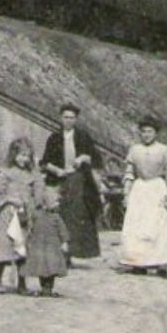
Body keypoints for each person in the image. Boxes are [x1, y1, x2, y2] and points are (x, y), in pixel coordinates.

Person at [119, 115, 167, 278]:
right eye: (143, 132)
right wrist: (126, 193)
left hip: (157, 188)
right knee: (138, 225)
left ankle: (160, 262)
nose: (146, 135)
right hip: (140, 189)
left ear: (156, 133)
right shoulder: (134, 150)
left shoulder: (164, 150)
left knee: (158, 225)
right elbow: (129, 173)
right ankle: (138, 262)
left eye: (150, 131)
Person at [41, 102, 102, 261]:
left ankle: (73, 251)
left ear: (76, 119)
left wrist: (83, 158)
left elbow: (96, 158)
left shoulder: (83, 137)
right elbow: (45, 162)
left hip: (78, 180)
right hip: (60, 180)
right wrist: (57, 170)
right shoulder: (54, 138)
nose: (68, 121)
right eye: (66, 117)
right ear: (61, 118)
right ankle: (60, 253)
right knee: (60, 214)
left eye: (72, 118)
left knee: (75, 216)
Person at [0, 138, 39, 295]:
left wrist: (32, 204)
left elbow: (34, 193)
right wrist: (10, 200)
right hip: (8, 214)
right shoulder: (4, 173)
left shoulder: (30, 175)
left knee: (22, 248)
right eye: (20, 155)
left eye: (26, 156)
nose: (23, 159)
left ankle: (22, 283)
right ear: (13, 154)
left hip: (24, 215)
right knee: (5, 247)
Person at [23, 181, 70, 297]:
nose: (57, 204)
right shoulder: (37, 215)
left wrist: (64, 241)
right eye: (55, 201)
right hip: (39, 247)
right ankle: (44, 287)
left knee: (52, 269)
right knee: (41, 269)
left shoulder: (56, 217)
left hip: (52, 248)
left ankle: (48, 288)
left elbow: (62, 230)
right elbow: (30, 226)